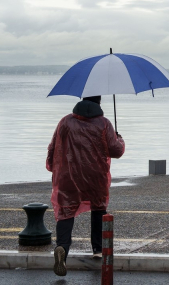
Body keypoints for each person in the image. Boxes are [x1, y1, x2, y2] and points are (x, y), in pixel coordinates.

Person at [46, 96, 125, 276]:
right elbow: (116, 151)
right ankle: (97, 248)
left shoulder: (65, 121)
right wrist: (120, 139)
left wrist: (52, 166)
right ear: (99, 101)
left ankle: (62, 249)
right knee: (98, 208)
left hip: (67, 176)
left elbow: (53, 146)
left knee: (66, 211)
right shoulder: (104, 123)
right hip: (95, 175)